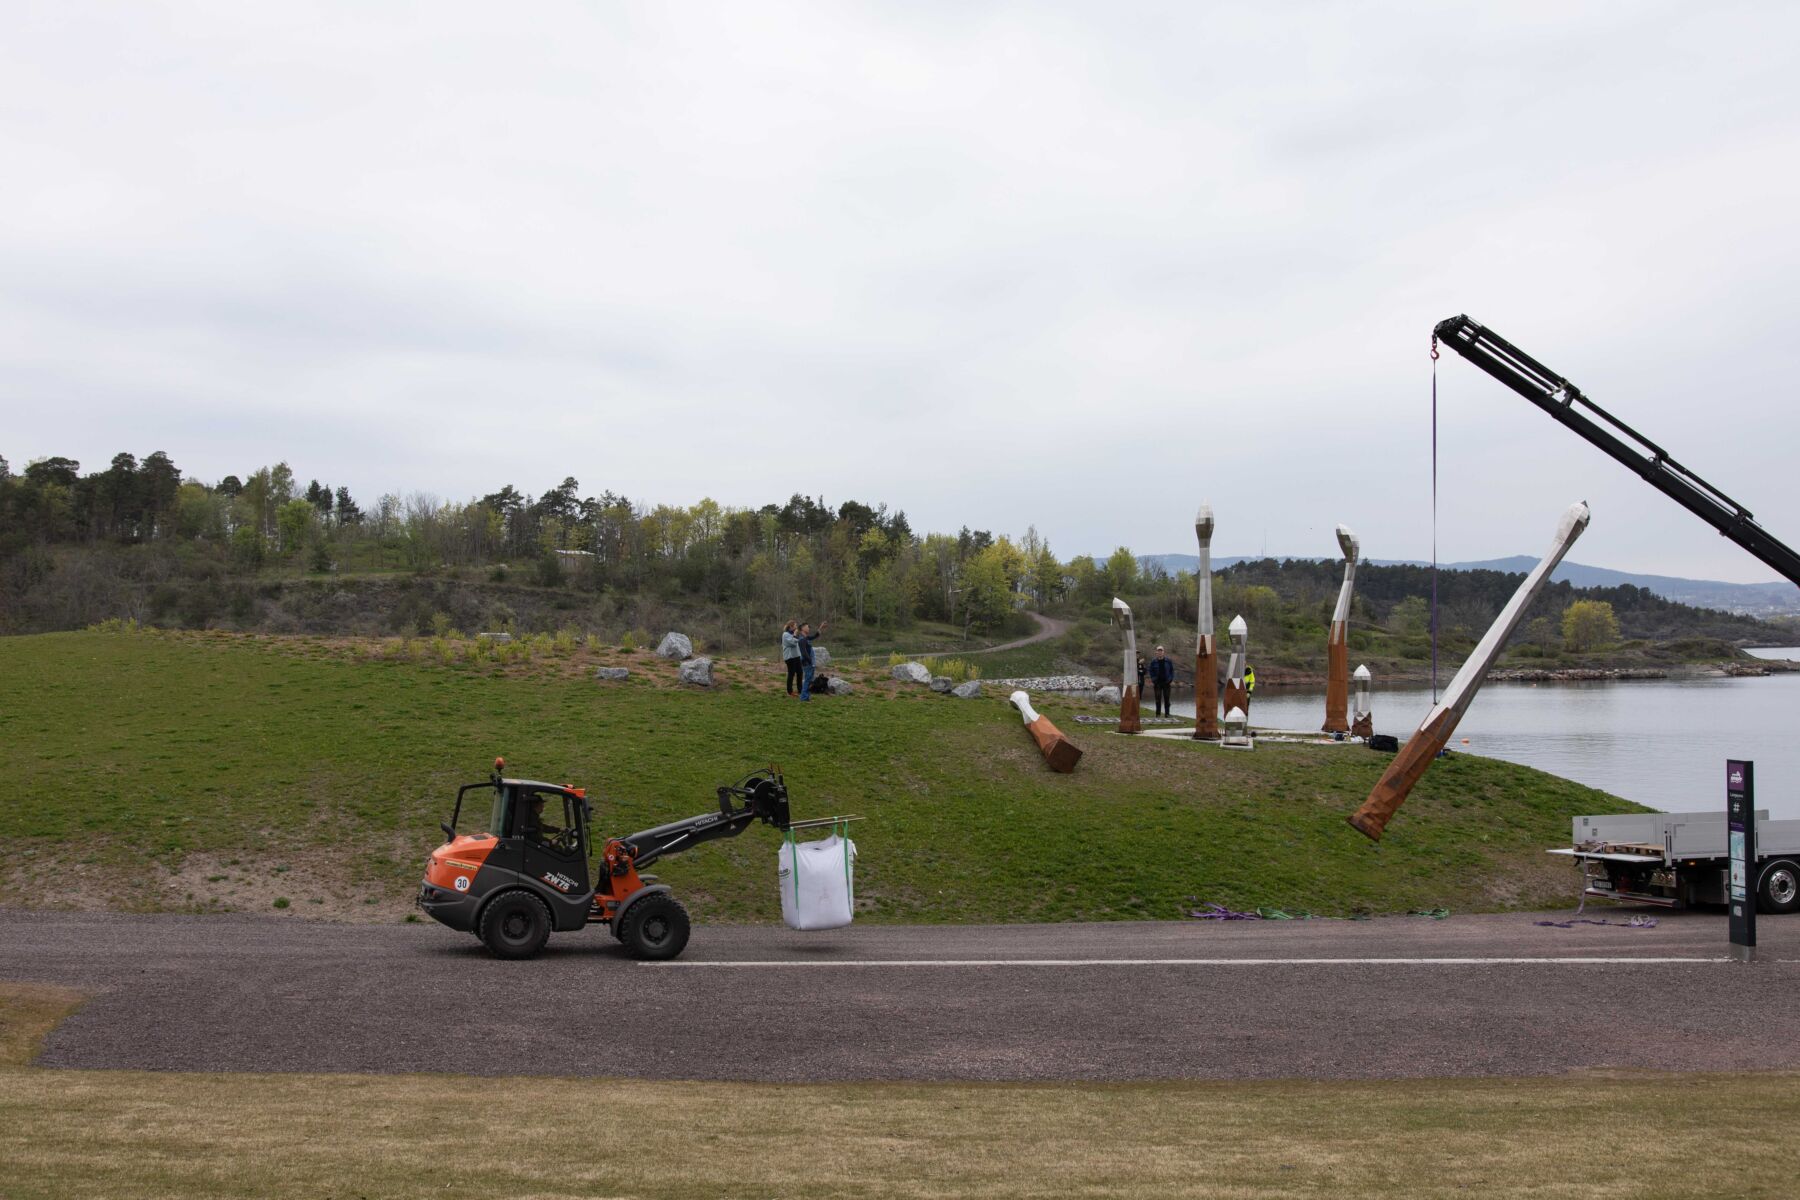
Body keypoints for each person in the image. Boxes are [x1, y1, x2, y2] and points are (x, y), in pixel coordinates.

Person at [797, 620, 827, 701]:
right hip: (807, 663)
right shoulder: (802, 639)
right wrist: (810, 662)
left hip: (810, 663)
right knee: (807, 680)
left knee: (809, 680)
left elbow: (815, 636)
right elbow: (804, 653)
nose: (808, 628)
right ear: (802, 628)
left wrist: (821, 627)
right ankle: (803, 698)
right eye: (807, 627)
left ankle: (806, 697)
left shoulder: (806, 638)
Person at [1147, 644, 1176, 716]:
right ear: (1156, 652)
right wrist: (1153, 679)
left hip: (1166, 683)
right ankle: (1158, 714)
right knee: (1158, 699)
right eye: (1158, 651)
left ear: (1163, 652)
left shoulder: (1168, 661)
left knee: (1167, 699)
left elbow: (1172, 670)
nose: (1160, 652)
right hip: (1157, 683)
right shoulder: (1153, 661)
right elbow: (1151, 671)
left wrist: (1170, 679)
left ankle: (1167, 714)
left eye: (1161, 651)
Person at [780, 620, 802, 697]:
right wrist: (795, 635)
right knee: (791, 674)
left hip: (796, 656)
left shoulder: (793, 634)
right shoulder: (785, 634)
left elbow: (797, 642)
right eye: (795, 626)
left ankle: (800, 690)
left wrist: (796, 635)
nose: (796, 627)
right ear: (791, 627)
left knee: (800, 672)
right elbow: (793, 643)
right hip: (790, 657)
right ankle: (790, 692)